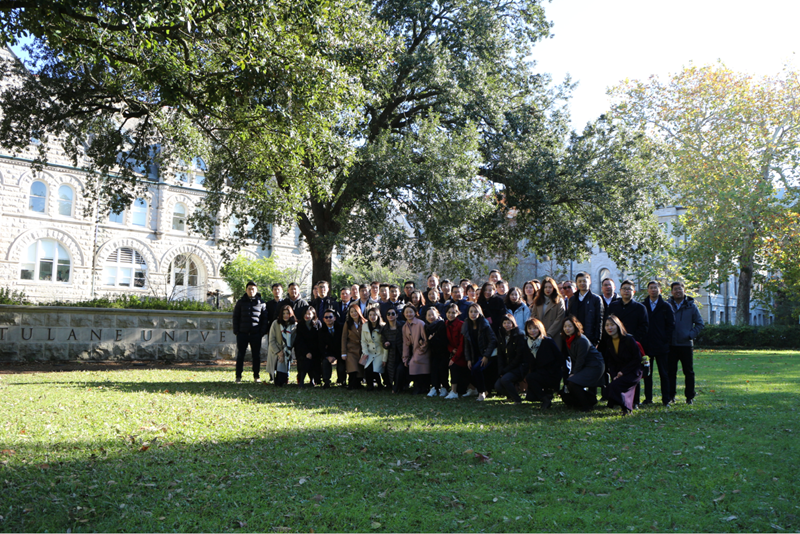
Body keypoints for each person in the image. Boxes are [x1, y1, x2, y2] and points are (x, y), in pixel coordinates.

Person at [667, 281, 704, 405]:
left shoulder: (691, 306)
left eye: (680, 289)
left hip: (686, 345)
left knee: (688, 372)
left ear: (684, 291)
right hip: (671, 344)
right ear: (672, 292)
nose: (678, 291)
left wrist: (690, 335)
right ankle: (671, 396)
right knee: (670, 372)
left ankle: (689, 397)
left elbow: (700, 324)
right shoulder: (667, 305)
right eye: (675, 289)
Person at [599, 315, 644, 415]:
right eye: (607, 325)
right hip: (619, 372)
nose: (609, 328)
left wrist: (623, 372)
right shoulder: (609, 341)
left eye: (612, 325)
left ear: (618, 325)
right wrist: (614, 375)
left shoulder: (628, 339)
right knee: (608, 389)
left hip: (633, 371)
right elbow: (611, 362)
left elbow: (637, 359)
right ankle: (622, 405)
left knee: (616, 386)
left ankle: (626, 409)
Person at [640, 281, 675, 406]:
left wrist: (666, 339)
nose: (653, 290)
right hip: (647, 346)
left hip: (661, 346)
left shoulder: (666, 306)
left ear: (660, 290)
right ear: (648, 290)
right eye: (651, 288)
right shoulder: (643, 306)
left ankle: (666, 399)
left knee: (664, 374)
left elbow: (671, 325)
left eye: (656, 288)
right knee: (647, 373)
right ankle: (648, 398)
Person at [560, 315, 605, 411]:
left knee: (573, 382)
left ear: (575, 327)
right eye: (565, 326)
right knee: (570, 383)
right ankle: (590, 400)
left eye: (570, 326)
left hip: (595, 366)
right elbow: (574, 359)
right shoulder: (568, 340)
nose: (567, 329)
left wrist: (574, 373)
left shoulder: (582, 340)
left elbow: (580, 359)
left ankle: (587, 406)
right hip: (585, 365)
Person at [521, 318, 564, 409]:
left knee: (531, 378)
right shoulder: (526, 343)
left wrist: (553, 370)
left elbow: (560, 359)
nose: (532, 331)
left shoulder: (548, 341)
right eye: (529, 328)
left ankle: (545, 399)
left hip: (551, 373)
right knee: (530, 397)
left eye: (535, 328)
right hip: (538, 373)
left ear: (540, 328)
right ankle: (547, 395)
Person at [232, 280, 268, 383]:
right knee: (240, 355)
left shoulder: (261, 303)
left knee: (256, 356)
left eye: (253, 289)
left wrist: (261, 332)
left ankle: (256, 376)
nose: (251, 291)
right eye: (249, 289)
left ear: (256, 290)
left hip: (256, 334)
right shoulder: (240, 302)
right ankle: (238, 376)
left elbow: (264, 319)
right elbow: (235, 317)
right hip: (242, 334)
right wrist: (236, 331)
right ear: (246, 290)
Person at [462, 303, 498, 401]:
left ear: (480, 313)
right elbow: (467, 345)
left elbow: (493, 340)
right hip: (474, 355)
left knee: (477, 369)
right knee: (470, 369)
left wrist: (486, 356)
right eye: (471, 312)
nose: (473, 314)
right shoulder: (466, 325)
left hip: (487, 354)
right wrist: (468, 359)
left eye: (475, 312)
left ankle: (482, 392)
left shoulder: (484, 324)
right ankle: (478, 389)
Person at [493, 314, 525, 404]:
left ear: (513, 323)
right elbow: (500, 355)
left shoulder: (519, 335)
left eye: (509, 323)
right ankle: (510, 396)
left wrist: (506, 370)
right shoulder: (501, 335)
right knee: (497, 385)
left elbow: (519, 356)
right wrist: (501, 370)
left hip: (518, 367)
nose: (507, 325)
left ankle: (517, 399)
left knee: (505, 379)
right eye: (504, 323)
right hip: (506, 368)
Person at [401, 304, 431, 394]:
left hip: (423, 350)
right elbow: (405, 344)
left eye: (411, 312)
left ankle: (422, 387)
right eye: (406, 312)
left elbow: (426, 340)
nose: (409, 314)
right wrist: (405, 357)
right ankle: (417, 386)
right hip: (413, 351)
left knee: (414, 363)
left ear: (415, 313)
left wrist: (421, 349)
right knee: (410, 363)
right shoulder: (404, 327)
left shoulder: (420, 323)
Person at [567, 272, 603, 346]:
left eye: (584, 281)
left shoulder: (596, 299)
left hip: (590, 338)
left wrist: (597, 340)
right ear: (576, 283)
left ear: (590, 282)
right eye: (580, 281)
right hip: (574, 336)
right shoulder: (572, 299)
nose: (582, 283)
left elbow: (599, 321)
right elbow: (569, 317)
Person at [531, 276, 566, 352]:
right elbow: (534, 316)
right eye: (545, 287)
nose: (547, 289)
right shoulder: (538, 300)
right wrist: (539, 331)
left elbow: (559, 319)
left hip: (554, 335)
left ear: (554, 288)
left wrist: (549, 334)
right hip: (539, 334)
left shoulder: (559, 301)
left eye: (550, 287)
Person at [266, 304, 297, 386]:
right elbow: (271, 340)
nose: (285, 315)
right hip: (275, 350)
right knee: (277, 380)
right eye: (283, 313)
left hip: (286, 351)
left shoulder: (294, 326)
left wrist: (284, 352)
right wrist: (279, 352)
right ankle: (275, 376)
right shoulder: (275, 323)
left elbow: (293, 341)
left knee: (281, 380)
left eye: (287, 313)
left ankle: (284, 377)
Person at [360, 305, 387, 391]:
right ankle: (370, 385)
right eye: (370, 315)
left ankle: (380, 384)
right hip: (369, 352)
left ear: (378, 316)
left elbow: (385, 344)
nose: (372, 317)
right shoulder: (365, 326)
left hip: (380, 352)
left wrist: (384, 358)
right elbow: (363, 341)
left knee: (376, 369)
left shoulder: (383, 326)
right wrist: (365, 352)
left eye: (374, 315)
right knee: (368, 369)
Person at [425, 307, 449, 397]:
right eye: (429, 315)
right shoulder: (426, 326)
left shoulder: (441, 324)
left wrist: (433, 339)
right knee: (434, 369)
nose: (431, 317)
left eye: (433, 315)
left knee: (442, 369)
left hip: (443, 352)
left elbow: (443, 341)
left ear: (438, 315)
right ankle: (435, 387)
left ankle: (445, 387)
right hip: (433, 352)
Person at [341, 304, 367, 389]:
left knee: (360, 368)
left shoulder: (365, 322)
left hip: (362, 349)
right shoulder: (347, 324)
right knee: (352, 367)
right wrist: (343, 352)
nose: (354, 313)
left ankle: (358, 384)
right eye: (351, 312)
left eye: (355, 311)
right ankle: (351, 384)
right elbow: (344, 338)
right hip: (351, 349)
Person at [295, 306, 322, 387]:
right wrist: (306, 352)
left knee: (314, 361)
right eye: (305, 314)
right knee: (304, 361)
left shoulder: (318, 324)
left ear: (313, 315)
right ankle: (301, 380)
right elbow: (299, 341)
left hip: (315, 350)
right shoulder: (300, 325)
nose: (307, 316)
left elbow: (320, 339)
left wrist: (313, 352)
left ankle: (313, 379)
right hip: (303, 350)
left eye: (309, 314)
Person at [444, 304, 467, 399]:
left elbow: (462, 344)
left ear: (458, 313)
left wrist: (454, 358)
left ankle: (453, 391)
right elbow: (446, 341)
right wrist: (451, 349)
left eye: (453, 313)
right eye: (449, 312)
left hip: (462, 354)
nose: (451, 315)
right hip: (453, 352)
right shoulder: (445, 324)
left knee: (454, 365)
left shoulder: (461, 324)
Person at [381, 306, 404, 392]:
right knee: (391, 370)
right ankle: (392, 386)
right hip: (391, 353)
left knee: (400, 369)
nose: (390, 316)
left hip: (401, 352)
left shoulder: (402, 326)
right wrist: (386, 344)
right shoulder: (384, 329)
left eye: (393, 314)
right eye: (388, 314)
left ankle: (398, 387)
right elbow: (383, 342)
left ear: (397, 315)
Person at [319, 310, 344, 388]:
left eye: (330, 317)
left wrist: (339, 355)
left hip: (340, 352)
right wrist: (328, 356)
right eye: (326, 317)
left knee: (341, 366)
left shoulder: (341, 327)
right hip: (328, 353)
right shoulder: (321, 331)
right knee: (325, 362)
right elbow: (321, 346)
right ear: (323, 319)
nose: (328, 319)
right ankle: (326, 382)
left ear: (334, 318)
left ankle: (342, 381)